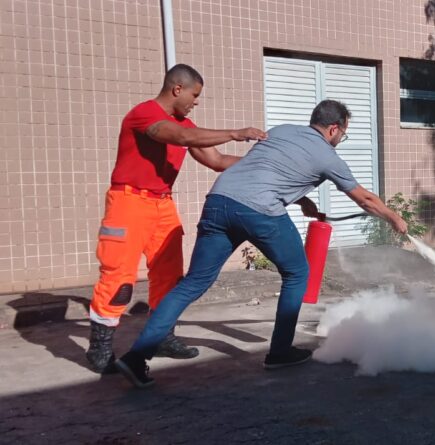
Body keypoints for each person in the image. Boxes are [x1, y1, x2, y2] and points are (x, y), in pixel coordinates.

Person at [115, 100, 407, 388]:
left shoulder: (281, 131)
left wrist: (301, 198)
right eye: (343, 133)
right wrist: (394, 218)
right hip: (259, 210)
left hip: (219, 201)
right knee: (296, 273)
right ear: (333, 128)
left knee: (193, 282)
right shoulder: (327, 156)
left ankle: (136, 356)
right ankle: (280, 352)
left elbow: (265, 169)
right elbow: (364, 198)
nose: (341, 138)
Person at [86, 64, 267, 374]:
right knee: (119, 280)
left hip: (162, 204)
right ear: (177, 89)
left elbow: (219, 160)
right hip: (129, 202)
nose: (196, 101)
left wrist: (266, 164)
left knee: (170, 277)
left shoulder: (185, 124)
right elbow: (182, 137)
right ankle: (100, 350)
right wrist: (236, 133)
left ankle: (163, 337)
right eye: (195, 95)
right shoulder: (144, 115)